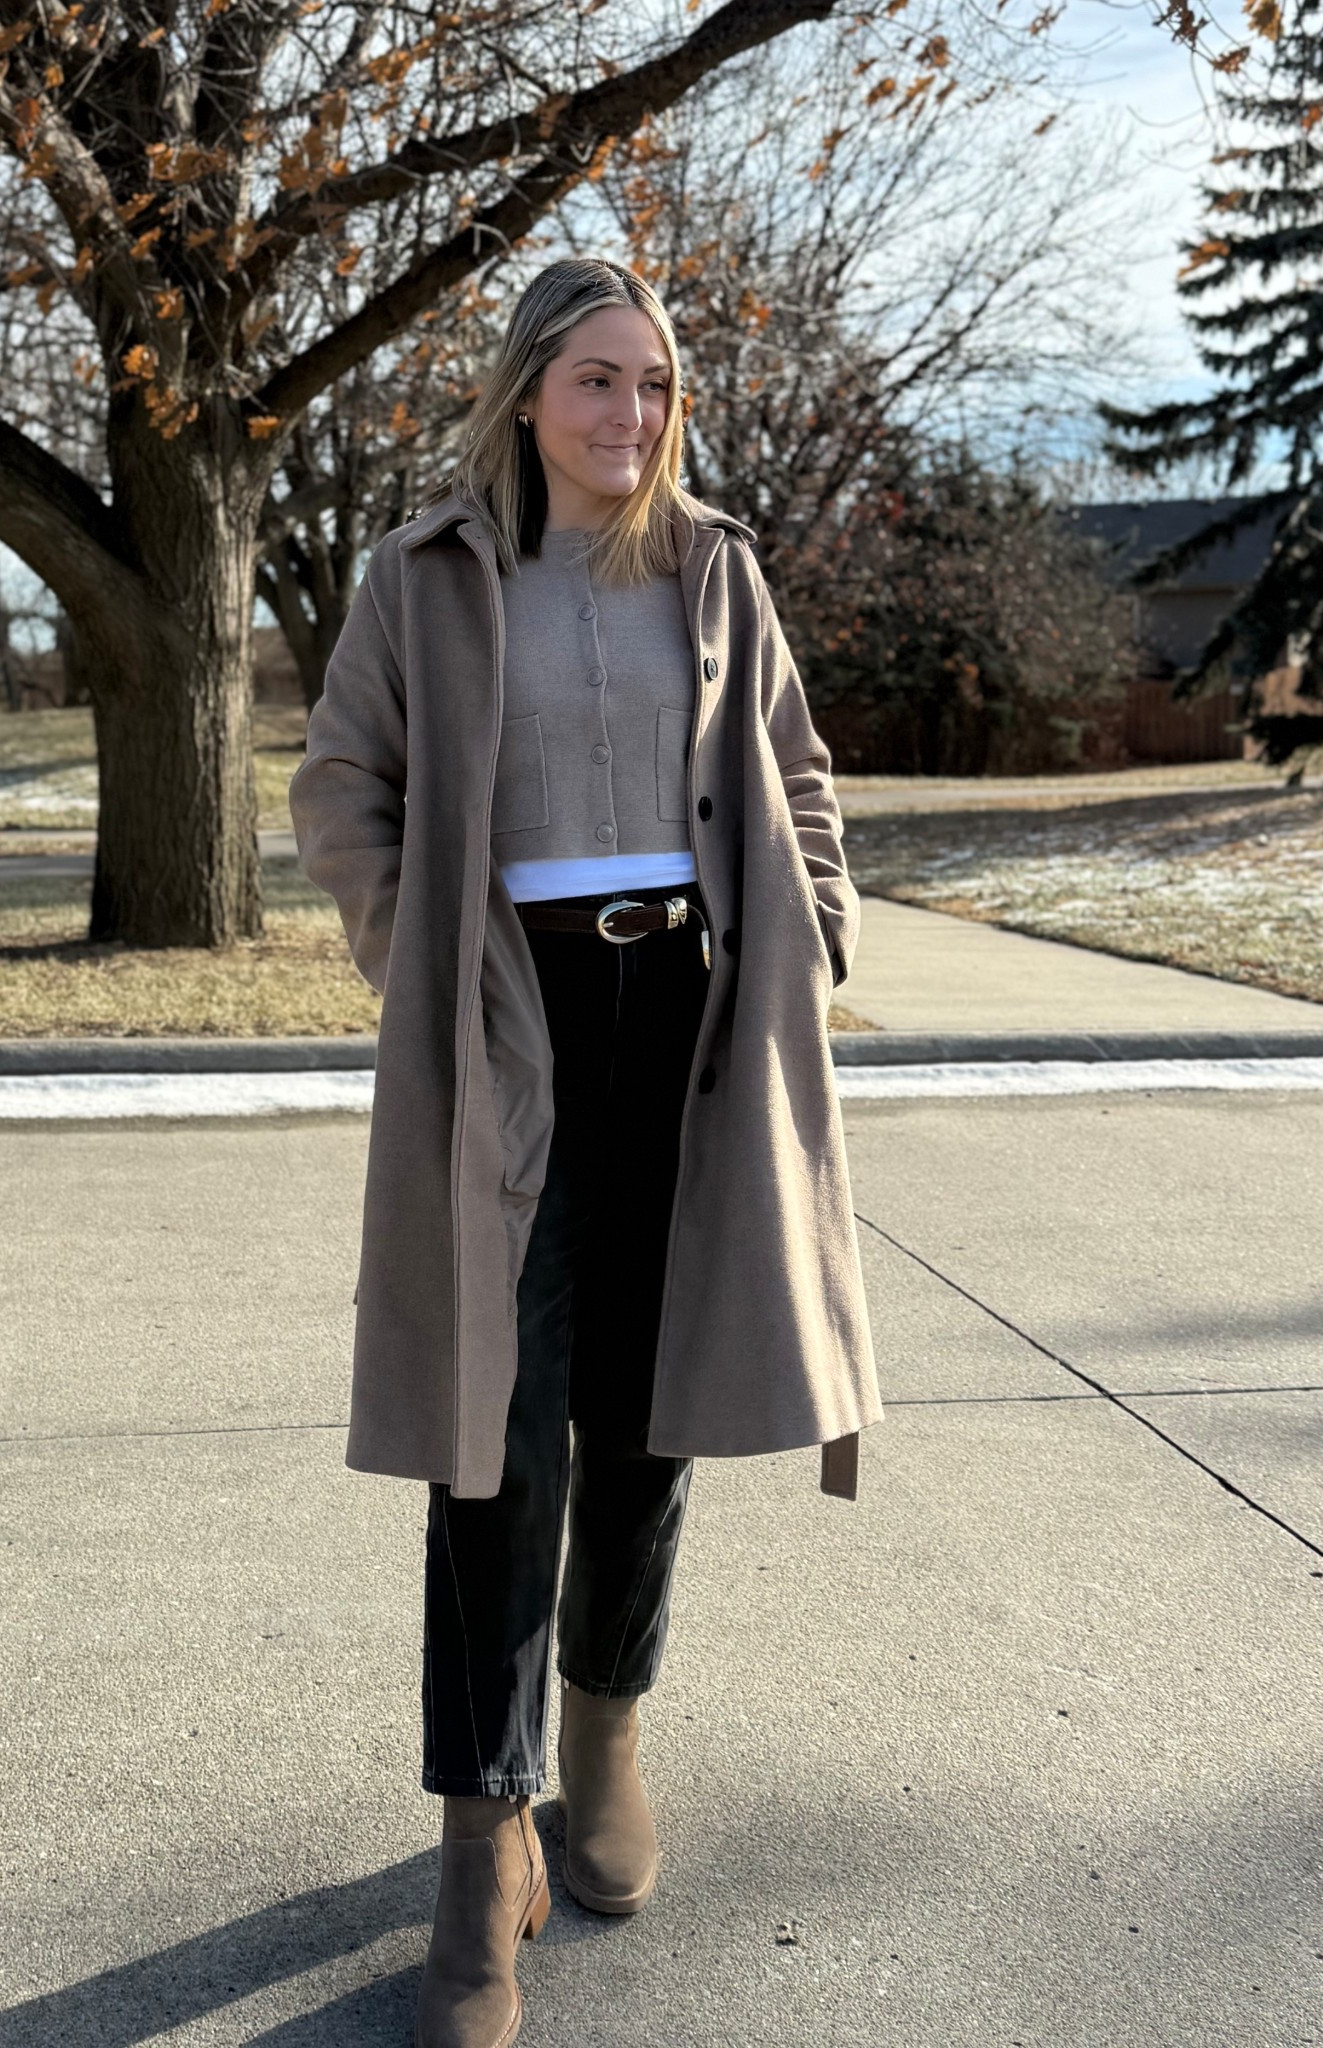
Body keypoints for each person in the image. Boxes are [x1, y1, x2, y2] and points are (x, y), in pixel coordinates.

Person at [288, 255, 881, 2048]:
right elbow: (341, 788)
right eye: (599, 381)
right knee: (495, 1432)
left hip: (690, 1027)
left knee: (646, 1411)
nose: (631, 415)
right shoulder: (427, 576)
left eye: (653, 384)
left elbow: (800, 772)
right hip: (510, 1030)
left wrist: (820, 925)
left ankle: (607, 1727)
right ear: (532, 388)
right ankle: (484, 1842)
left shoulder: (717, 569)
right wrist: (429, 964)